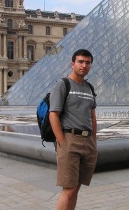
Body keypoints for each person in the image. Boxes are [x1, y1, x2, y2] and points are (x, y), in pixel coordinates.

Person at [49, 49, 97, 210]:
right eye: (80, 61)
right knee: (69, 189)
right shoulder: (63, 84)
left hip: (87, 142)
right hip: (70, 140)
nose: (84, 65)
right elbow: (53, 114)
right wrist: (62, 141)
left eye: (87, 62)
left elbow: (92, 116)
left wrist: (93, 140)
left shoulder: (89, 87)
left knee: (76, 188)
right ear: (73, 63)